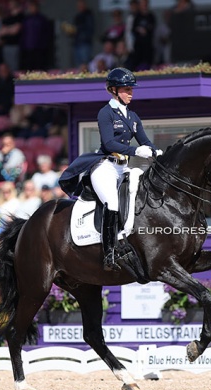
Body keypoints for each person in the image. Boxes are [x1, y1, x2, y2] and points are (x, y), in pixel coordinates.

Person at [59, 67, 162, 271]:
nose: (130, 93)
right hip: (105, 167)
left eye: (131, 90)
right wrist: (136, 151)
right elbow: (109, 144)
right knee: (112, 203)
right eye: (126, 90)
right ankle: (109, 253)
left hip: (123, 169)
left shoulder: (133, 117)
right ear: (113, 90)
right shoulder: (105, 113)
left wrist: (155, 151)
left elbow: (145, 141)